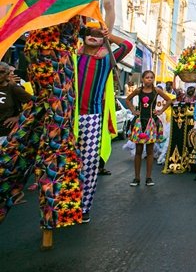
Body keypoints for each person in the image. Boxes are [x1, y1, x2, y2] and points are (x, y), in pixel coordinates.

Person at [0, 19, 85, 250]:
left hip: (36, 51)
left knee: (33, 124)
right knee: (57, 140)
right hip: (57, 54)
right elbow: (108, 3)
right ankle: (49, 226)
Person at [76, 22, 132, 222]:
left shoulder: (107, 59)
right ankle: (68, 204)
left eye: (97, 34)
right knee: (67, 163)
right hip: (68, 116)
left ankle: (84, 207)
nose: (93, 36)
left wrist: (108, 35)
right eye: (89, 33)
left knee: (89, 164)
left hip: (92, 117)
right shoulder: (74, 56)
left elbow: (127, 45)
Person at [124, 70, 172, 187]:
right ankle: (136, 178)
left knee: (150, 151)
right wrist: (133, 111)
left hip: (151, 122)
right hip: (139, 122)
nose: (149, 79)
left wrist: (160, 111)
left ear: (153, 80)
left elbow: (169, 100)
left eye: (151, 78)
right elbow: (127, 100)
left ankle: (148, 178)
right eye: (147, 77)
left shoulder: (156, 91)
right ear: (142, 79)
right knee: (139, 151)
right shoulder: (138, 91)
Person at [0, 62, 32, 139]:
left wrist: (19, 117)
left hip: (4, 134)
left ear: (7, 74)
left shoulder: (13, 88)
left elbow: (34, 103)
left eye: (2, 72)